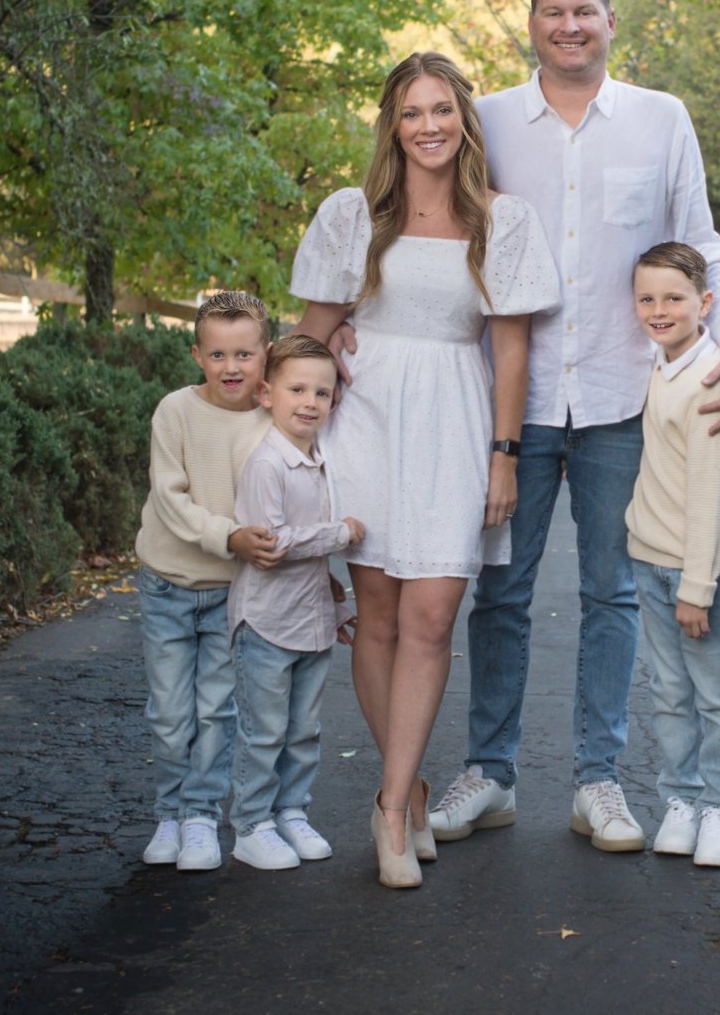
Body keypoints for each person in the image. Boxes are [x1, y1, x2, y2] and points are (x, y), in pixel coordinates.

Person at [423, 0, 720, 854]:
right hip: (513, 396)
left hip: (624, 398)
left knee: (615, 593)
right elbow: (432, 226)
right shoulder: (488, 119)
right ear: (529, 25)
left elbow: (703, 247)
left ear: (612, 21)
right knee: (499, 588)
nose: (568, 26)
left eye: (584, 12)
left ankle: (598, 781)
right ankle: (489, 776)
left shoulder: (661, 119)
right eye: (551, 13)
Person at [291, 51, 559, 888]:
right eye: (413, 112)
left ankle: (393, 796)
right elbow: (309, 336)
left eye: (443, 109)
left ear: (463, 120)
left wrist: (504, 457)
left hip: (455, 417)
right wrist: (321, 348)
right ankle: (400, 799)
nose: (430, 126)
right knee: (377, 614)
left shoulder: (501, 221)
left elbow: (510, 353)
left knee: (434, 615)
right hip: (367, 418)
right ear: (392, 125)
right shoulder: (351, 216)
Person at [132, 291, 284, 872]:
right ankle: (167, 813)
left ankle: (200, 817)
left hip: (233, 592)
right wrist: (227, 536)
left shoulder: (274, 419)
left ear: (265, 354)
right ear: (197, 354)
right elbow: (170, 502)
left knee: (217, 710)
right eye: (218, 355)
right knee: (171, 713)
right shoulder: (175, 412)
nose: (232, 367)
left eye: (245, 354)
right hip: (169, 585)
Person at [625, 242, 720, 869]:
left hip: (701, 572)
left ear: (705, 303)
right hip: (651, 559)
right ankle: (680, 801)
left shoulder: (713, 380)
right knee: (668, 693)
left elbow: (711, 496)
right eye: (646, 298)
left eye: (673, 298)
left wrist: (697, 588)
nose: (658, 309)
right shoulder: (660, 363)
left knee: (717, 697)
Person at [225, 334, 365, 871]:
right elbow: (272, 545)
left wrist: (332, 598)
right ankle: (252, 824)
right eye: (297, 389)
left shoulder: (323, 460)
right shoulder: (268, 465)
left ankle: (292, 811)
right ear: (266, 394)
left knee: (304, 729)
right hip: (265, 622)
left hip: (310, 623)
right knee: (264, 731)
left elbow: (309, 559)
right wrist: (342, 534)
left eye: (322, 393)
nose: (310, 401)